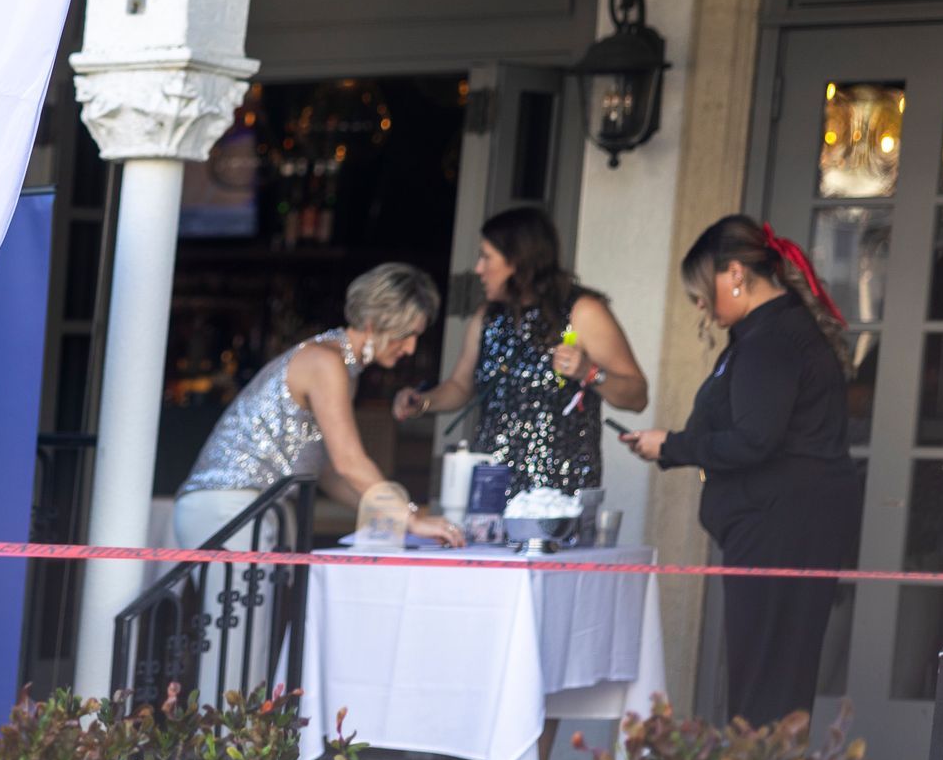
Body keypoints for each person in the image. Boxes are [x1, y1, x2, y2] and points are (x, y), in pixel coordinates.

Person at [620, 214, 863, 726]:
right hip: (790, 523)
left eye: (701, 293)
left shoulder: (771, 340)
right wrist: (674, 447)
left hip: (781, 527)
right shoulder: (775, 330)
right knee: (775, 679)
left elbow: (754, 440)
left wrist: (673, 444)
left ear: (735, 273)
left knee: (765, 684)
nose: (701, 307)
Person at [176, 262, 463, 547]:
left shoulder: (343, 367)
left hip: (254, 506)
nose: (412, 348)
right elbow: (349, 462)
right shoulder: (327, 363)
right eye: (406, 334)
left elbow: (328, 472)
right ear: (374, 323)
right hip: (227, 505)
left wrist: (398, 514)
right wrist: (409, 517)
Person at [393, 207, 648, 495]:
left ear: (517, 261)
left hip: (557, 491)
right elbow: (460, 386)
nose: (478, 268)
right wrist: (423, 402)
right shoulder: (488, 316)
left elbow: (637, 396)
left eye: (487, 257)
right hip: (492, 484)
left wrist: (589, 371)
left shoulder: (583, 312)